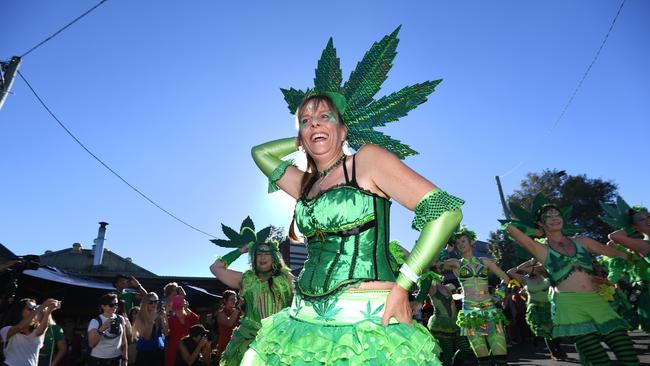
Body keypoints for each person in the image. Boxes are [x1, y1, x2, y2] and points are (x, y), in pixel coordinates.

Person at [243, 27, 463, 365]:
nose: (315, 123)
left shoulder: (368, 160)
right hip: (301, 318)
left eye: (325, 117)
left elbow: (445, 212)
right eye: (306, 120)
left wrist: (404, 284)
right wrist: (301, 138)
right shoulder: (303, 184)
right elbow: (260, 153)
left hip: (366, 317)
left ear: (344, 129)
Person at [504, 203, 640, 365]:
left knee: (628, 354)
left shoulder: (582, 241)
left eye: (557, 215)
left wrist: (615, 274)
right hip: (569, 307)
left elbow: (619, 255)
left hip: (596, 301)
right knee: (599, 360)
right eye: (549, 216)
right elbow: (509, 228)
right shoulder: (541, 249)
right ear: (541, 223)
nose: (555, 218)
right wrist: (536, 231)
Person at [209, 217, 293, 366]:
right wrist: (242, 250)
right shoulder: (245, 279)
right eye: (258, 253)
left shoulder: (285, 278)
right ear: (253, 258)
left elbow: (304, 289)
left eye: (267, 253)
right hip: (250, 339)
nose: (262, 257)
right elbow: (215, 268)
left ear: (274, 257)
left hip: (281, 338)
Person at [440, 227, 510, 366]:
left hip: (490, 310)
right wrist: (447, 248)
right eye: (457, 242)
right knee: (483, 360)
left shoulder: (485, 261)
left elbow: (506, 278)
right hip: (470, 313)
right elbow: (435, 264)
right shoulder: (456, 263)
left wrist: (499, 294)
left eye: (463, 241)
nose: (460, 244)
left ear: (471, 242)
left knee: (500, 357)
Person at [507, 259, 566, 361]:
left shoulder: (545, 275)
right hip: (536, 308)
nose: (530, 270)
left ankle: (559, 348)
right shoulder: (524, 279)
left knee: (556, 330)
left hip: (551, 306)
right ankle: (553, 352)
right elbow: (510, 272)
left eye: (532, 267)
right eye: (528, 268)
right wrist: (529, 262)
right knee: (546, 331)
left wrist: (537, 264)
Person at [1, 298, 59, 366]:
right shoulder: (7, 329)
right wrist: (42, 306)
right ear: (20, 311)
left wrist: (48, 311)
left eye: (35, 308)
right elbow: (19, 327)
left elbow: (40, 331)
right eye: (31, 308)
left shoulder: (36, 330)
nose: (34, 311)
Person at [426, 283, 473, 366]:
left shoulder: (448, 287)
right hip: (442, 324)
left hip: (457, 322)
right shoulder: (430, 286)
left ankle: (456, 363)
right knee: (448, 353)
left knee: (465, 348)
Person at [87, 293, 128, 366]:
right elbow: (91, 344)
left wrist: (125, 359)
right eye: (111, 305)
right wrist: (102, 328)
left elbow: (124, 341)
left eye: (116, 304)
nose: (114, 307)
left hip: (116, 359)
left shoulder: (120, 319)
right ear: (103, 306)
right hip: (99, 360)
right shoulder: (95, 321)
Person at [132, 293, 167, 366]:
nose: (154, 304)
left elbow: (166, 333)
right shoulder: (140, 318)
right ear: (145, 303)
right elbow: (147, 337)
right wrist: (151, 320)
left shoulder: (158, 315)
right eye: (151, 302)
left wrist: (164, 318)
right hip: (146, 355)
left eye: (156, 302)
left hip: (159, 353)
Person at [165, 290, 199, 366]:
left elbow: (196, 319)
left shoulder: (187, 317)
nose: (179, 309)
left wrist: (187, 309)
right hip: (174, 348)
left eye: (181, 307)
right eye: (178, 307)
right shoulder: (170, 319)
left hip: (188, 347)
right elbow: (165, 331)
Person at [214, 291, 239, 360]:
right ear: (225, 300)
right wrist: (238, 309)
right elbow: (229, 323)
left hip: (237, 345)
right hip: (225, 345)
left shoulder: (238, 311)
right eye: (232, 299)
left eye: (235, 299)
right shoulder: (221, 313)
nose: (234, 301)